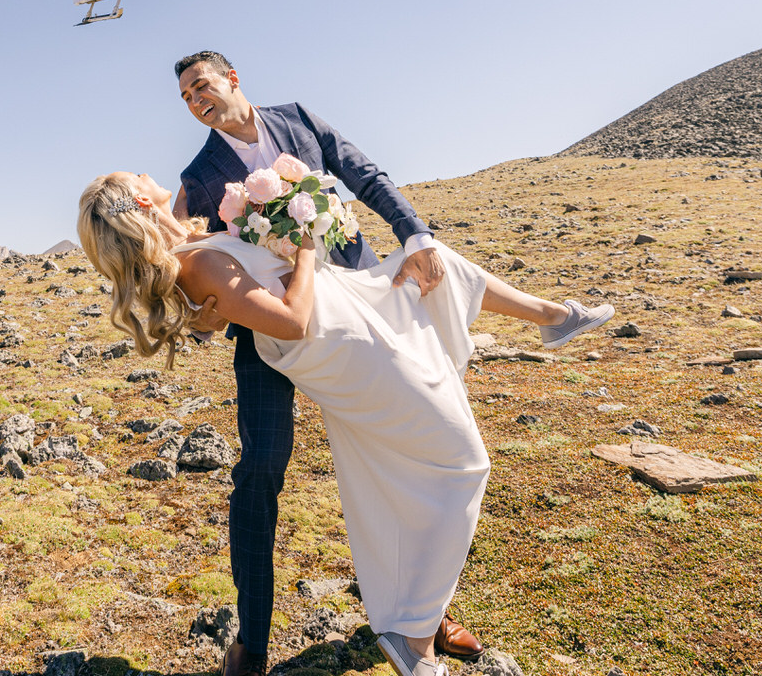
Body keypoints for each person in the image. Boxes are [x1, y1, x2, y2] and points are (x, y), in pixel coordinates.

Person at [165, 50, 614, 675]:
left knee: (416, 438)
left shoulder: (296, 118)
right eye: (186, 96)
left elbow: (364, 174)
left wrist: (417, 235)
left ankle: (425, 615)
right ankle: (252, 642)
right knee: (261, 469)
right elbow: (190, 270)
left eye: (202, 85)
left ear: (232, 79)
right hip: (279, 330)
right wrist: (206, 316)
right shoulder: (198, 176)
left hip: (359, 297)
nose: (195, 99)